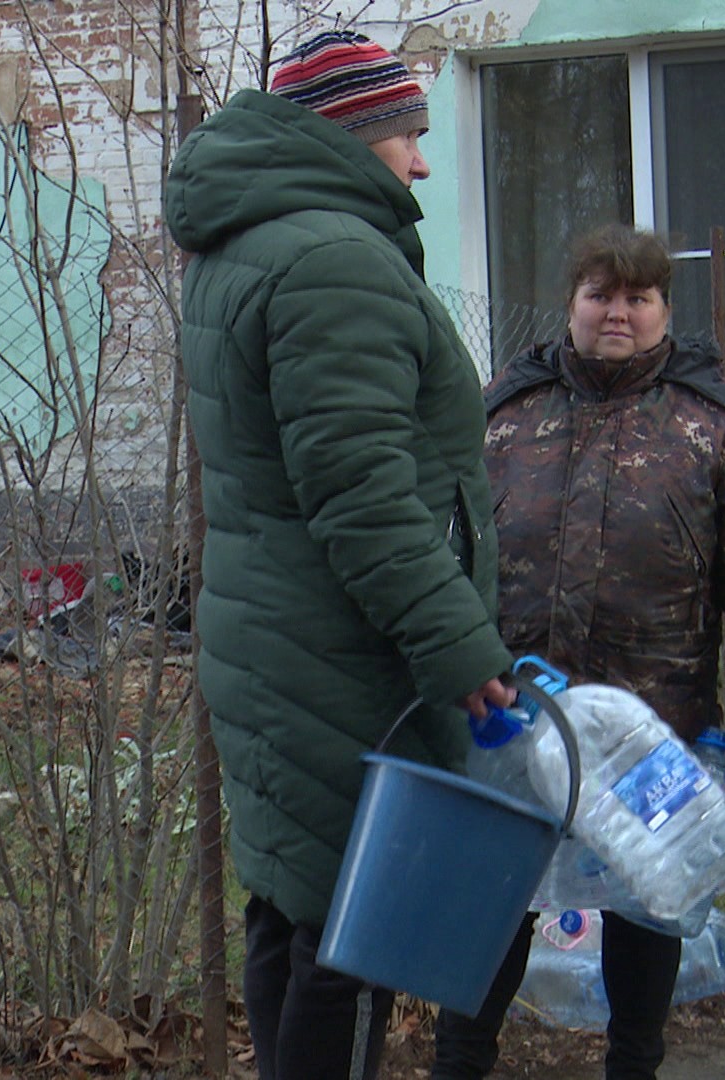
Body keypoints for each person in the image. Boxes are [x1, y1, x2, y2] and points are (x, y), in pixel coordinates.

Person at [164, 30, 515, 1080]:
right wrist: (462, 649)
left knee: (302, 912)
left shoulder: (249, 242)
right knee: (352, 947)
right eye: (409, 134)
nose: (422, 162)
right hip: (342, 655)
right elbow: (364, 495)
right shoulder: (332, 261)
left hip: (285, 636)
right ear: (353, 135)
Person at [430, 224, 725, 1080]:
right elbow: (442, 549)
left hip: (657, 727)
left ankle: (633, 1068)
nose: (618, 313)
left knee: (644, 923)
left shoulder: (714, 422)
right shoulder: (505, 410)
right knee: (486, 926)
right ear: (571, 303)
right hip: (508, 723)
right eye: (600, 294)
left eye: (637, 298)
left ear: (663, 311)